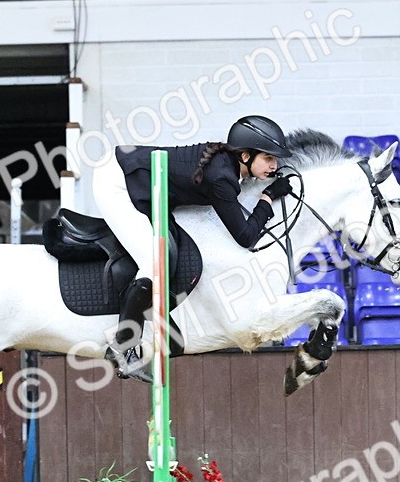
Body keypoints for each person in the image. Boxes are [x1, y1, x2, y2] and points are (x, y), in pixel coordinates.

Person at [92, 114, 296, 382]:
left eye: (274, 159)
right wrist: (267, 198)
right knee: (154, 264)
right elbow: (246, 236)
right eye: (268, 158)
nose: (274, 165)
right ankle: (122, 347)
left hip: (139, 181)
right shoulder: (222, 177)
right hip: (116, 182)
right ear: (245, 156)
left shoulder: (228, 164)